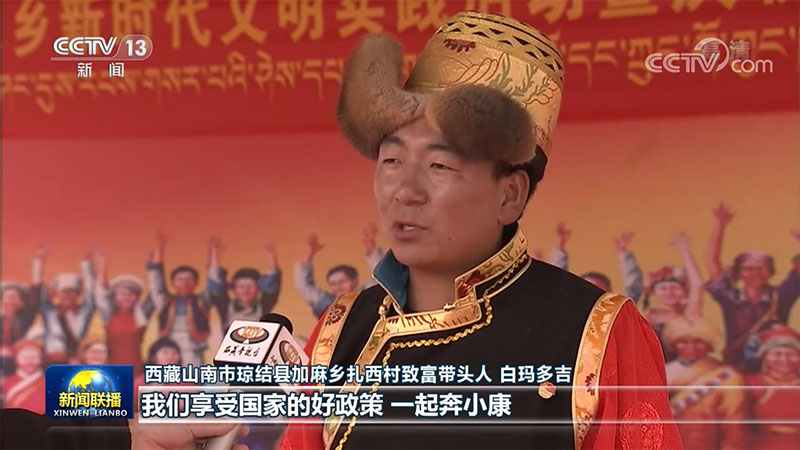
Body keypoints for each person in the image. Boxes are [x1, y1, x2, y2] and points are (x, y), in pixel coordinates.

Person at [705, 203, 800, 367]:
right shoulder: (730, 297)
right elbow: (712, 263)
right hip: (736, 366)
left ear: (770, 272)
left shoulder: (781, 295)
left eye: (761, 268)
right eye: (748, 269)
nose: (755, 273)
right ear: (738, 273)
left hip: (776, 366)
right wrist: (718, 227)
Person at [663, 317, 745, 449]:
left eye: (699, 341)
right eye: (683, 341)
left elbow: (734, 426)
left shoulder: (727, 377)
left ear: (709, 345)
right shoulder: (660, 372)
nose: (691, 347)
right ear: (674, 345)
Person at [143, 232, 213, 367]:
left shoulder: (202, 301)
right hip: (169, 350)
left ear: (196, 283)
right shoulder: (165, 302)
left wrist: (213, 254)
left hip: (193, 350)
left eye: (189, 279)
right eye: (180, 279)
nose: (184, 283)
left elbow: (213, 283)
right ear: (173, 283)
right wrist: (160, 250)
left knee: (193, 380)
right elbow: (156, 284)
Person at [293, 224, 384, 317]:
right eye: (333, 284)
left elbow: (381, 278)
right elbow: (303, 286)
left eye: (342, 281)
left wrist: (371, 246)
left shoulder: (366, 295)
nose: (338, 287)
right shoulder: (326, 303)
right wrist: (308, 255)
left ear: (354, 280)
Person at [28, 246, 97, 364]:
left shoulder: (84, 311)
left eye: (71, 291)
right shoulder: (49, 311)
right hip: (51, 361)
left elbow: (91, 291)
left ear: (78, 294)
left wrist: (86, 264)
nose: (67, 295)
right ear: (57, 293)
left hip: (77, 360)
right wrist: (38, 263)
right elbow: (38, 291)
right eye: (63, 291)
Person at [642, 231, 704, 362]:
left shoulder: (689, 313)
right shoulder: (648, 316)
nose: (669, 292)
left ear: (684, 292)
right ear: (654, 292)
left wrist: (685, 251)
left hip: (686, 370)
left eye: (675, 288)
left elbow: (697, 285)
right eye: (663, 288)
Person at [549, 224, 644, 301]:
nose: (591, 297)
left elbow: (633, 285)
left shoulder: (614, 314)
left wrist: (624, 254)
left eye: (599, 294)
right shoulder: (568, 313)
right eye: (585, 291)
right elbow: (557, 285)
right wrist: (559, 248)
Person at [206, 236, 282, 330]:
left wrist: (271, 258)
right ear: (234, 288)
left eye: (250, 286)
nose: (245, 290)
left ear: (258, 288)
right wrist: (215, 254)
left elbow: (271, 284)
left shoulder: (263, 306)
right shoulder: (225, 306)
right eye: (241, 286)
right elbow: (216, 284)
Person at [93, 251, 150, 375]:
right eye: (122, 294)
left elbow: (154, 291)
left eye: (131, 294)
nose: (127, 297)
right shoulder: (109, 314)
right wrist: (102, 266)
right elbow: (100, 293)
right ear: (114, 297)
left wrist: (151, 264)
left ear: (137, 298)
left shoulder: (141, 314)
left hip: (137, 369)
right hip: (111, 369)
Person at [745, 325, 800, 449]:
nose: (784, 359)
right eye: (777, 354)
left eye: (791, 354)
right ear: (764, 357)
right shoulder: (750, 383)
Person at [0, 281, 38, 376]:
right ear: (2, 300)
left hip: (21, 356)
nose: (12, 301)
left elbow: (35, 295)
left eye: (15, 297)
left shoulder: (26, 317)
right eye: (9, 297)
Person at [0, 339, 45, 414]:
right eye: (25, 357)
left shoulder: (49, 382)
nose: (30, 361)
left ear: (41, 359)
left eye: (34, 357)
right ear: (16, 359)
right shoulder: (6, 382)